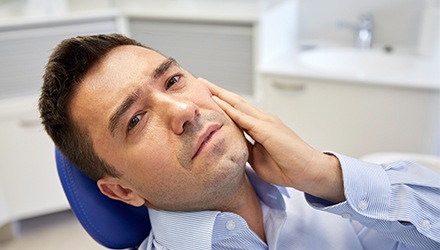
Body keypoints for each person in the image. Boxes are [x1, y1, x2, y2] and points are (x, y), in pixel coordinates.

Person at [39, 33, 440, 250]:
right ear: (123, 191)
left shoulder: (329, 196)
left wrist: (326, 175)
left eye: (173, 81)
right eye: (136, 120)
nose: (182, 111)